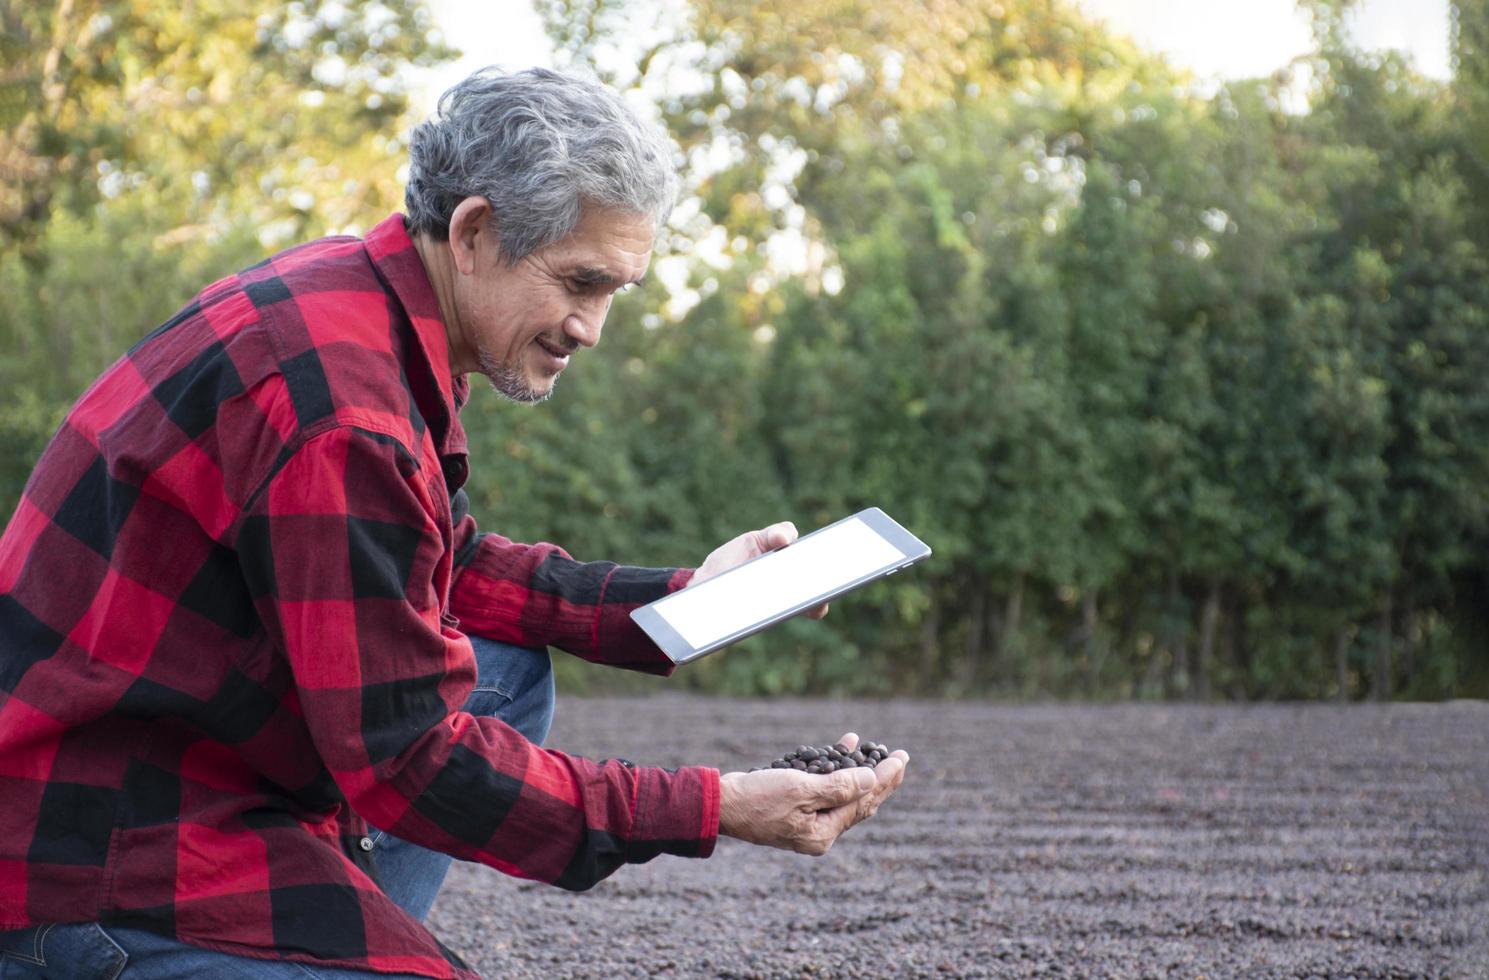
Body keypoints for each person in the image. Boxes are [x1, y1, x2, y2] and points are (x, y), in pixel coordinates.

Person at [0, 67, 908, 979]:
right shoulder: (343, 414)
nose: (591, 328)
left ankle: (327, 930)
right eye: (578, 283)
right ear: (474, 232)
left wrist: (685, 600)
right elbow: (410, 759)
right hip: (95, 848)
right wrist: (717, 805)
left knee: (504, 672)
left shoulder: (358, 303)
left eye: (613, 293)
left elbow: (440, 563)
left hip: (177, 752)